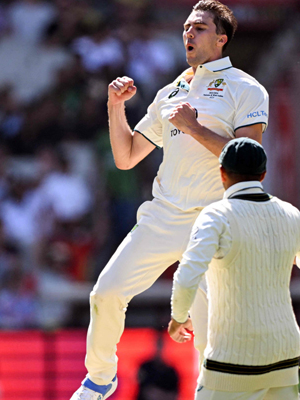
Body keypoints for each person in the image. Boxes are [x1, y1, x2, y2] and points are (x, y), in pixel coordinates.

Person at [70, 1, 270, 399]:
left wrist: (194, 128)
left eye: (199, 28)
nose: (189, 34)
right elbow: (126, 158)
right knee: (106, 293)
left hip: (216, 219)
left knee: (207, 331)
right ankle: (100, 378)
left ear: (221, 38)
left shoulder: (245, 88)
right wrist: (116, 107)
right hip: (164, 215)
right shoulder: (170, 91)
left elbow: (250, 159)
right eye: (186, 27)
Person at [168, 138, 300, 400]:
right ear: (263, 175)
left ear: (221, 173)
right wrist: (288, 253)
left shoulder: (216, 216)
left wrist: (178, 317)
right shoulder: (289, 214)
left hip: (232, 359)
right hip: (284, 354)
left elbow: (187, 276)